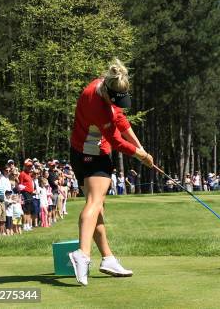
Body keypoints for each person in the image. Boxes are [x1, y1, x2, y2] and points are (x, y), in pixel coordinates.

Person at [68, 58, 153, 286]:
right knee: (95, 203)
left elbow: (121, 120)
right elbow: (115, 141)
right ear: (109, 92)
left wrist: (142, 148)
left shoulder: (102, 84)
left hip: (79, 153)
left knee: (97, 209)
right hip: (94, 155)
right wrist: (140, 155)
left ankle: (107, 258)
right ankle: (82, 254)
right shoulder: (99, 107)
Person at [17, 160, 34, 231]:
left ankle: (28, 225)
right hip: (25, 193)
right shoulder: (22, 174)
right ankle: (24, 225)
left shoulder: (29, 174)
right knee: (25, 210)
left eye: (30, 166)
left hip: (30, 193)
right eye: (28, 166)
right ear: (25, 166)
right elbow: (20, 185)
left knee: (29, 210)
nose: (30, 167)